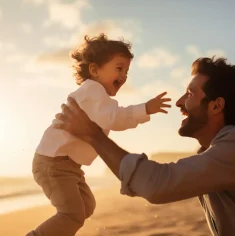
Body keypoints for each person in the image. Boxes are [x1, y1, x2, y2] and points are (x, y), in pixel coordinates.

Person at [54, 57, 235, 236]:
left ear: (216, 106)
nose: (179, 102)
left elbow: (158, 185)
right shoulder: (220, 152)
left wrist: (93, 135)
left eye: (190, 94)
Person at [26, 34, 171, 236]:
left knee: (87, 206)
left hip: (68, 165)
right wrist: (144, 108)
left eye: (127, 71)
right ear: (94, 70)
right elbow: (115, 118)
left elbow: (113, 116)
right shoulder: (92, 91)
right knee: (72, 214)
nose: (124, 76)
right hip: (53, 163)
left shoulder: (97, 96)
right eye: (119, 68)